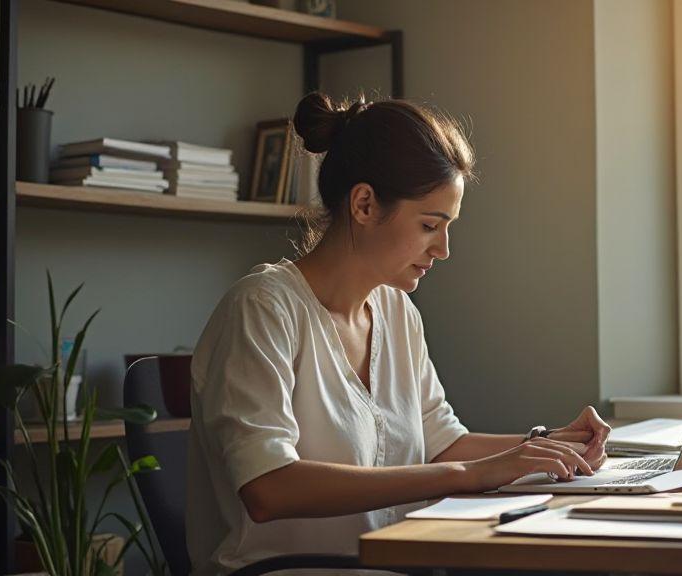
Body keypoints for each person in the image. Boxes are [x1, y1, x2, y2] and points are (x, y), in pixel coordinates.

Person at [186, 92, 612, 575]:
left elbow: (442, 442)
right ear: (364, 204)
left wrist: (549, 445)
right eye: (431, 224)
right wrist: (467, 475)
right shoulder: (262, 308)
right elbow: (268, 488)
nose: (444, 249)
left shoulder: (396, 312)